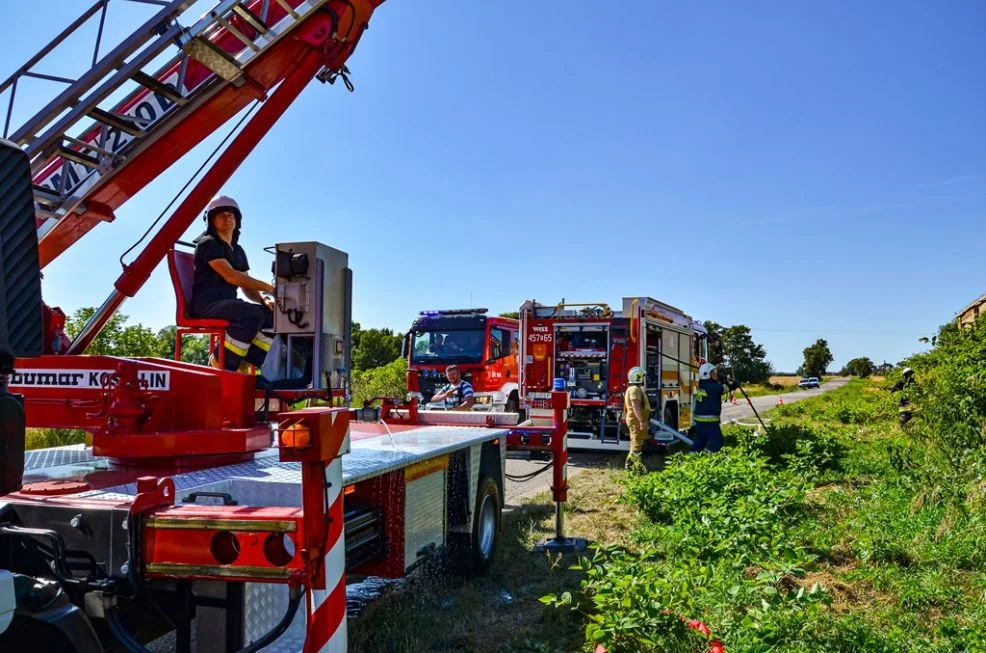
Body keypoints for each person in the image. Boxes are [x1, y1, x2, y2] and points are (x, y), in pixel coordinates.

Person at [190, 195, 276, 372]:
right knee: (250, 315)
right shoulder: (208, 244)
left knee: (271, 316)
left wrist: (263, 301)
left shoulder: (237, 250)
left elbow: (246, 284)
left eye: (231, 215)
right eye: (221, 215)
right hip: (207, 304)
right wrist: (269, 287)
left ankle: (254, 361)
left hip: (228, 304)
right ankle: (222, 361)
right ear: (211, 221)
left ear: (237, 220)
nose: (228, 218)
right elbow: (232, 277)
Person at [691, 363, 738, 453]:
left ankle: (691, 459)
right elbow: (725, 388)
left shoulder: (702, 384)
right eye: (713, 372)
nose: (716, 373)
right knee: (717, 444)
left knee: (699, 443)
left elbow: (718, 386)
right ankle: (716, 462)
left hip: (700, 420)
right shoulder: (714, 387)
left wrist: (721, 380)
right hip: (710, 421)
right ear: (707, 374)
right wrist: (733, 384)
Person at [623, 366, 651, 473]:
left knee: (637, 442)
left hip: (635, 420)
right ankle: (630, 466)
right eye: (643, 376)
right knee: (636, 443)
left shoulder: (633, 389)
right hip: (636, 420)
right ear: (638, 377)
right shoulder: (634, 389)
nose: (644, 379)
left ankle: (637, 466)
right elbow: (635, 405)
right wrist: (641, 421)